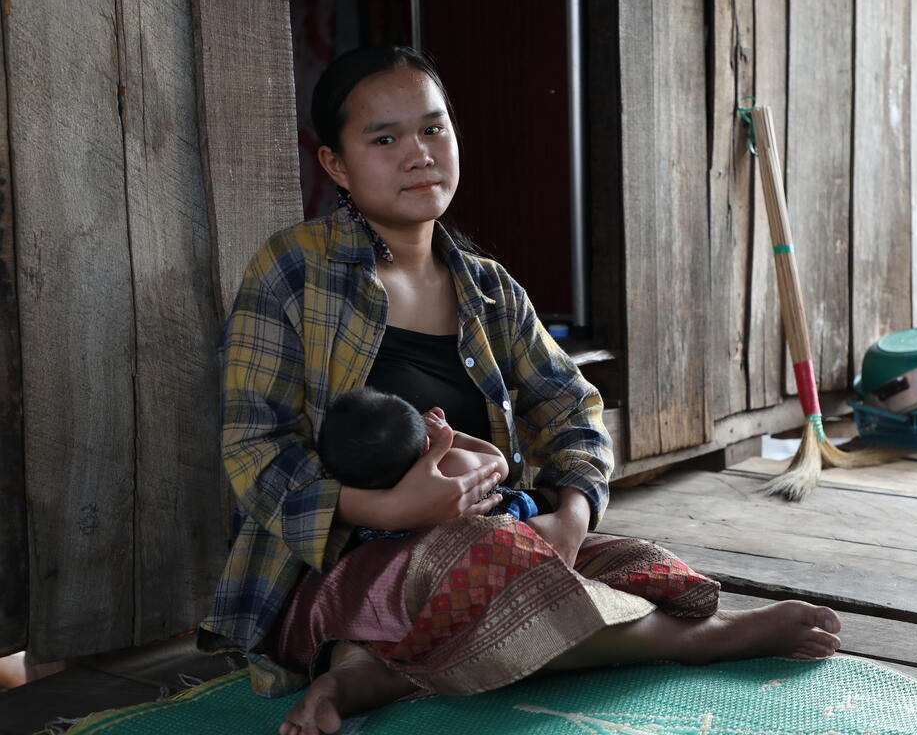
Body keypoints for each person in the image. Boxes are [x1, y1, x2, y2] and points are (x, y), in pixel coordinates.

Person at [198, 45, 843, 735]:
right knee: (485, 563)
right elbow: (253, 449)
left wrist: (569, 517)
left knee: (641, 566)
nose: (417, 153)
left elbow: (573, 408)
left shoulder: (487, 287)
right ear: (335, 163)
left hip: (488, 536)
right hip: (337, 567)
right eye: (383, 138)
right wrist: (389, 503)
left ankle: (363, 675)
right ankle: (690, 642)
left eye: (432, 128)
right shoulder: (294, 270)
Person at [319, 391, 541, 527]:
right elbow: (499, 465)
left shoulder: (364, 509)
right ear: (426, 444)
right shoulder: (451, 464)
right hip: (503, 525)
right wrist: (450, 437)